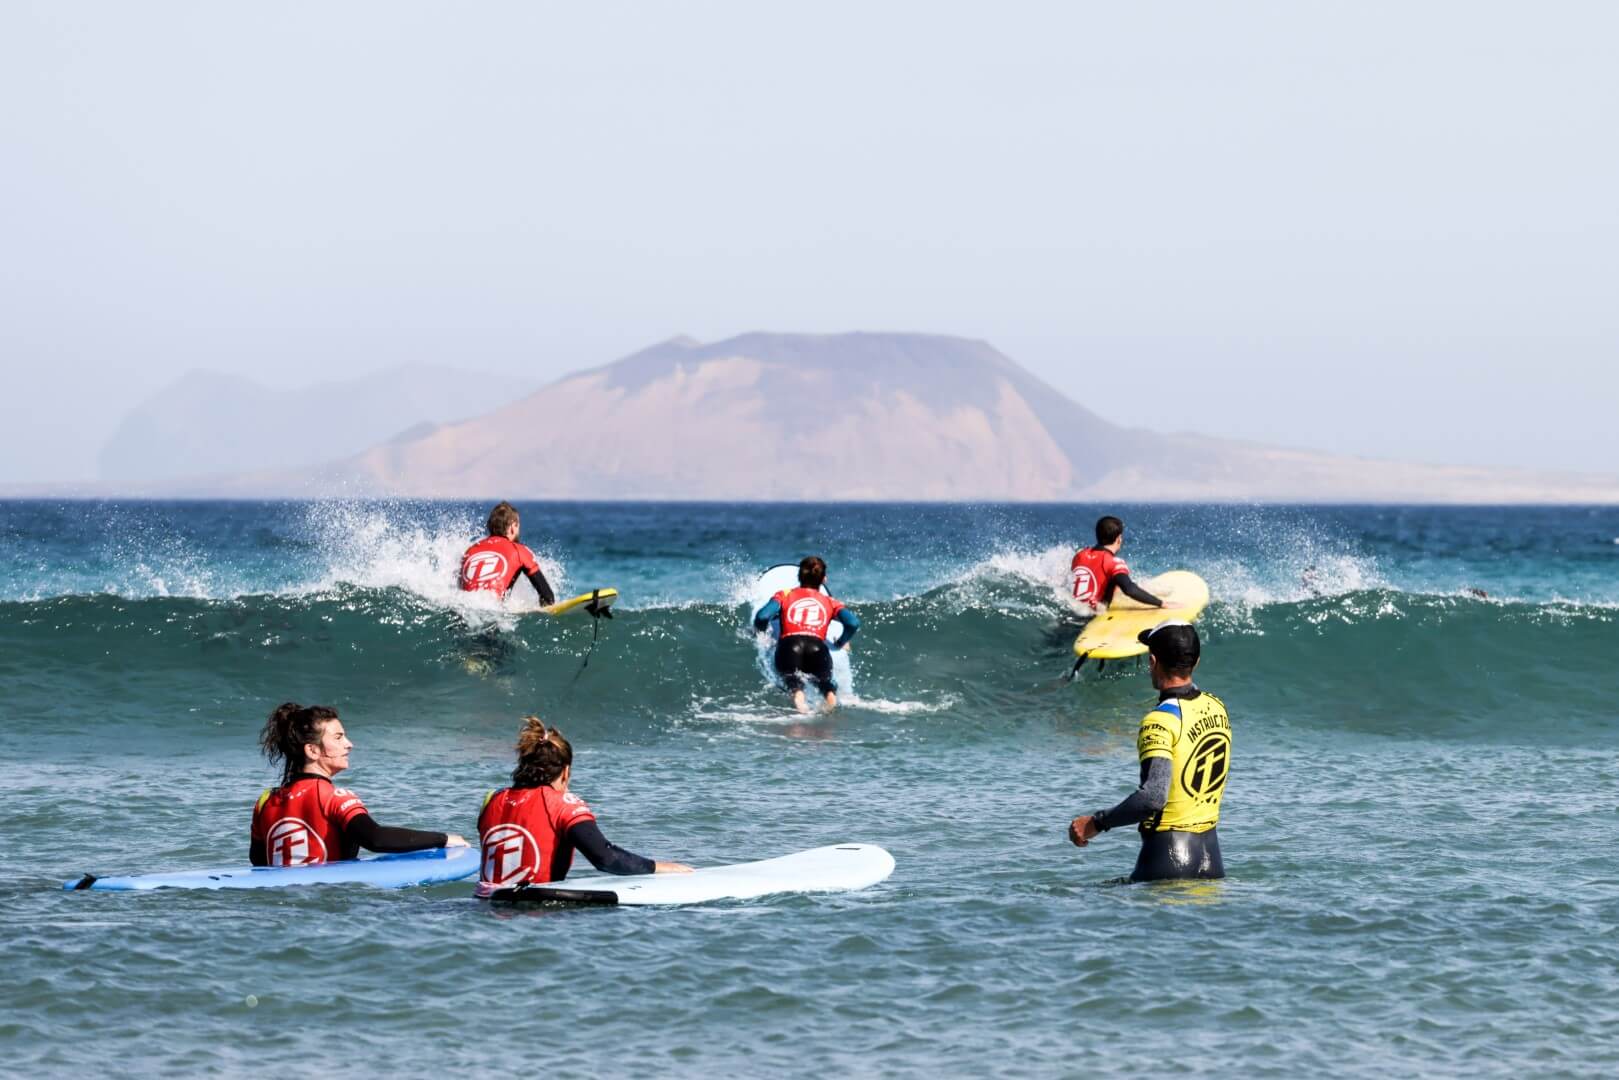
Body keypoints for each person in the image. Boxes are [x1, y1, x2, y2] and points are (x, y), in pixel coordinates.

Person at [1067, 622, 1231, 881]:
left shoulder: (1160, 721)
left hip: (1167, 859)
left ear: (1153, 661)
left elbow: (1153, 797)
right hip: (1212, 862)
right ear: (1196, 662)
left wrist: (1097, 823)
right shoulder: (1217, 708)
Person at [476, 716, 691, 894]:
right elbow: (605, 858)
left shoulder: (493, 799)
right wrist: (656, 867)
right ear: (566, 771)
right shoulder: (563, 804)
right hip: (535, 913)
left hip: (486, 906)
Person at [251, 702, 467, 867]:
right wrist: (443, 839)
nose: (349, 744)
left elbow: (258, 861)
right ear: (313, 750)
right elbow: (375, 838)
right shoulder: (333, 797)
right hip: (325, 899)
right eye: (338, 738)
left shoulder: (265, 801)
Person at [752, 555, 861, 713]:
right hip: (817, 647)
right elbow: (853, 623)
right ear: (824, 579)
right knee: (825, 684)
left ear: (799, 576)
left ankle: (799, 701)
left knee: (794, 682)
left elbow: (762, 616)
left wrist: (761, 634)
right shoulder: (830, 602)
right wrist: (840, 642)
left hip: (789, 645)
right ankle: (829, 701)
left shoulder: (784, 594)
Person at [459, 501, 555, 605]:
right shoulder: (519, 550)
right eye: (518, 526)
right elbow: (548, 597)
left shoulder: (470, 551)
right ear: (513, 527)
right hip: (493, 611)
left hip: (464, 608)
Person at [1071, 515, 1163, 611]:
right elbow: (1130, 590)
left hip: (1075, 610)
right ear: (1119, 539)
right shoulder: (1114, 562)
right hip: (1093, 614)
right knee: (1116, 580)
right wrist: (1161, 603)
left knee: (1112, 580)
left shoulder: (1080, 555)